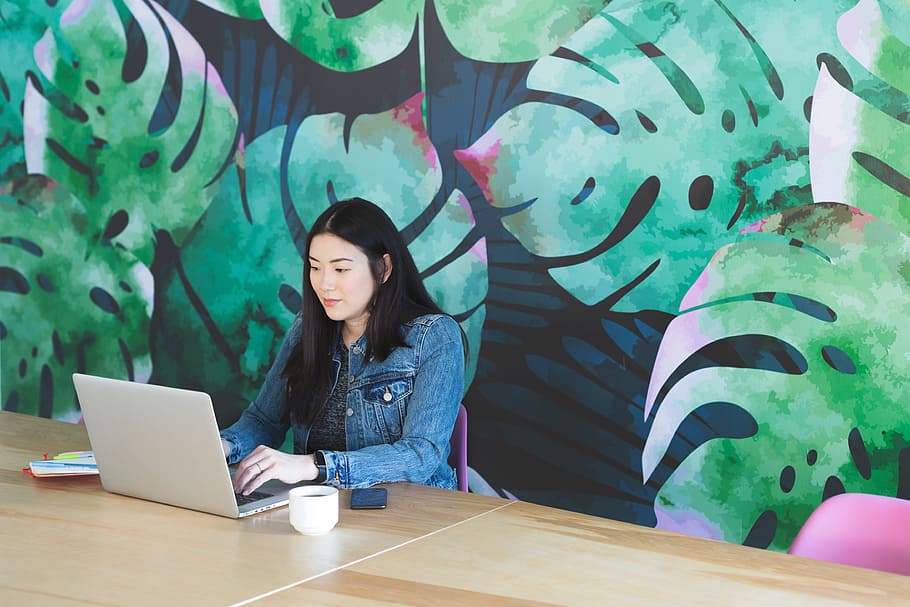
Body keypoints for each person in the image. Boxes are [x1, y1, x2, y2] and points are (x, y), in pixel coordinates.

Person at [220, 197, 466, 494]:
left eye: (340, 270)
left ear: (384, 268)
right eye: (315, 268)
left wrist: (315, 465)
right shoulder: (307, 328)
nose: (324, 284)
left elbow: (421, 455)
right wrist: (221, 446)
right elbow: (264, 420)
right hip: (321, 511)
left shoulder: (434, 337)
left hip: (414, 514)